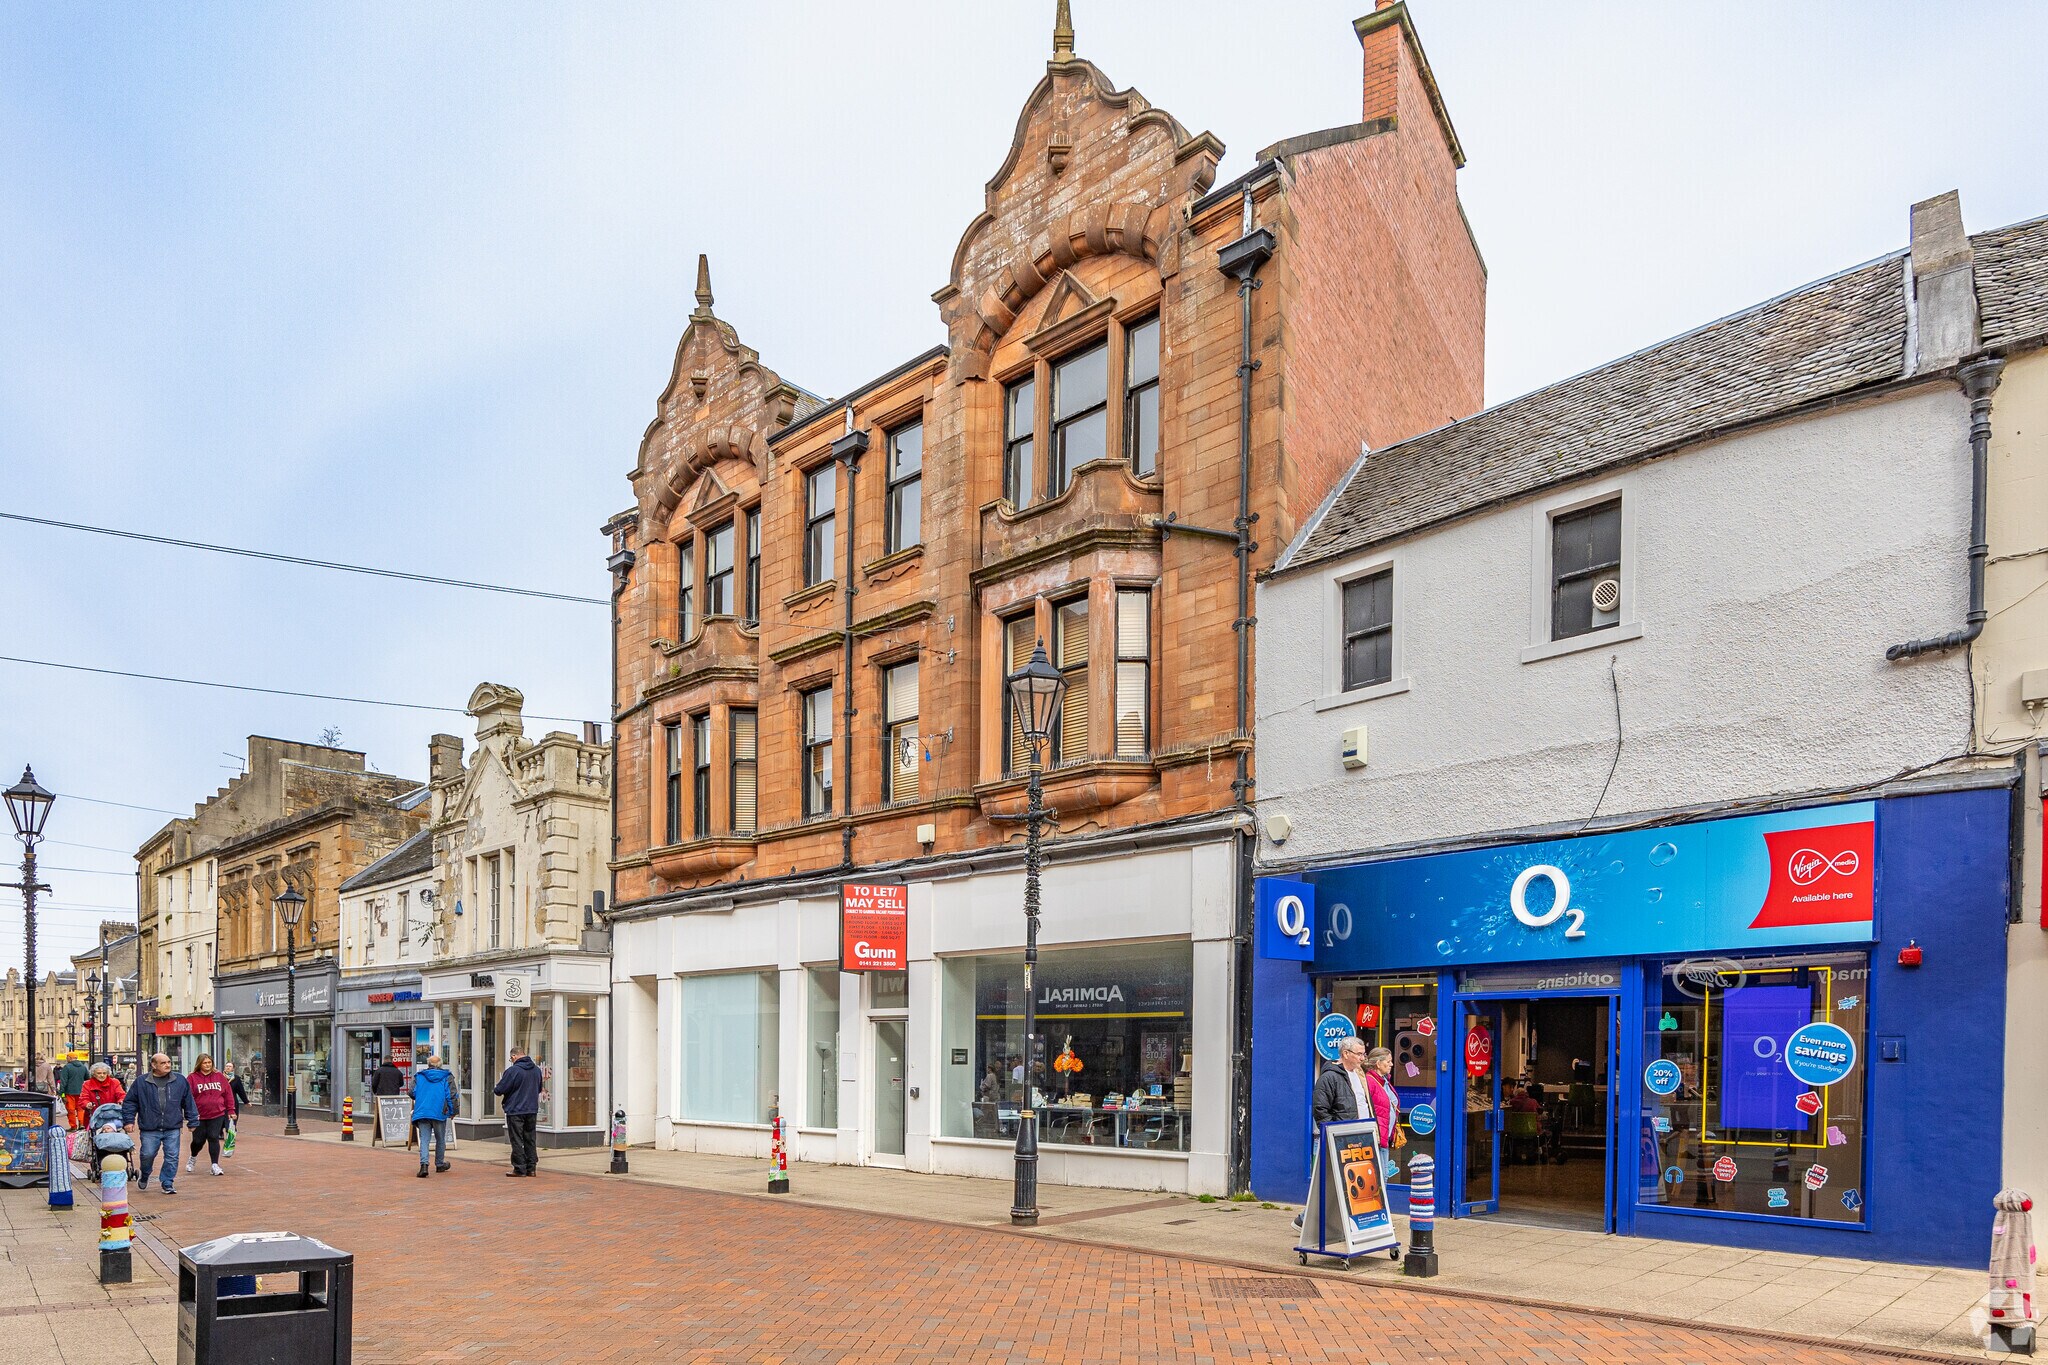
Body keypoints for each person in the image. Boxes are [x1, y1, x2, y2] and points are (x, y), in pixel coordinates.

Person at [122, 1052, 199, 1194]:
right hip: (150, 1127)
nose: (168, 1065)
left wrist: (192, 1120)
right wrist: (128, 1120)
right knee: (147, 1154)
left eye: (169, 1062)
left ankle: (167, 1182)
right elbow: (130, 1102)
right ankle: (145, 1174)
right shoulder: (141, 1081)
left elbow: (188, 1101)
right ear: (153, 1065)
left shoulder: (180, 1080)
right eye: (163, 1063)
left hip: (172, 1126)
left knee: (172, 1156)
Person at [493, 1046, 544, 1178]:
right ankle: (531, 1168)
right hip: (532, 1109)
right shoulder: (537, 1071)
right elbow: (539, 1088)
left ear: (514, 1056)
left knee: (516, 1139)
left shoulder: (513, 1071)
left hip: (515, 1109)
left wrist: (498, 1088)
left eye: (511, 1058)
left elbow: (500, 1090)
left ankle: (519, 1168)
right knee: (530, 1139)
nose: (512, 1060)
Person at [184, 1054, 235, 1176]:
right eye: (205, 1063)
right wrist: (188, 1113)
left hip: (217, 1114)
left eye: (209, 1062)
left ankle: (214, 1165)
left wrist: (231, 1110)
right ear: (199, 1064)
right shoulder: (192, 1078)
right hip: (199, 1115)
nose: (207, 1065)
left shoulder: (219, 1077)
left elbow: (228, 1094)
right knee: (198, 1140)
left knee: (213, 1137)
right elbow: (187, 1096)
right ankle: (193, 1157)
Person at [409, 1053, 456, 1178]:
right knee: (440, 1139)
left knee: (424, 1139)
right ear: (440, 1065)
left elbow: (411, 1092)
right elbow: (451, 1096)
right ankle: (439, 1164)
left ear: (428, 1064)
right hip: (439, 1111)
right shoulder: (447, 1077)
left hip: (423, 1111)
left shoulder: (419, 1076)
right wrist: (453, 1112)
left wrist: (421, 1097)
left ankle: (424, 1165)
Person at [58, 1053, 88, 1128]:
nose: (66, 1059)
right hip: (81, 1092)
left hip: (69, 1092)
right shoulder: (83, 1067)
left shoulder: (67, 1067)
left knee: (70, 1110)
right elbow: (87, 1078)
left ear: (70, 1058)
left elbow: (63, 1082)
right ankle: (81, 1123)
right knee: (80, 1109)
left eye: (67, 1057)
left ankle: (73, 1126)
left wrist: (61, 1094)